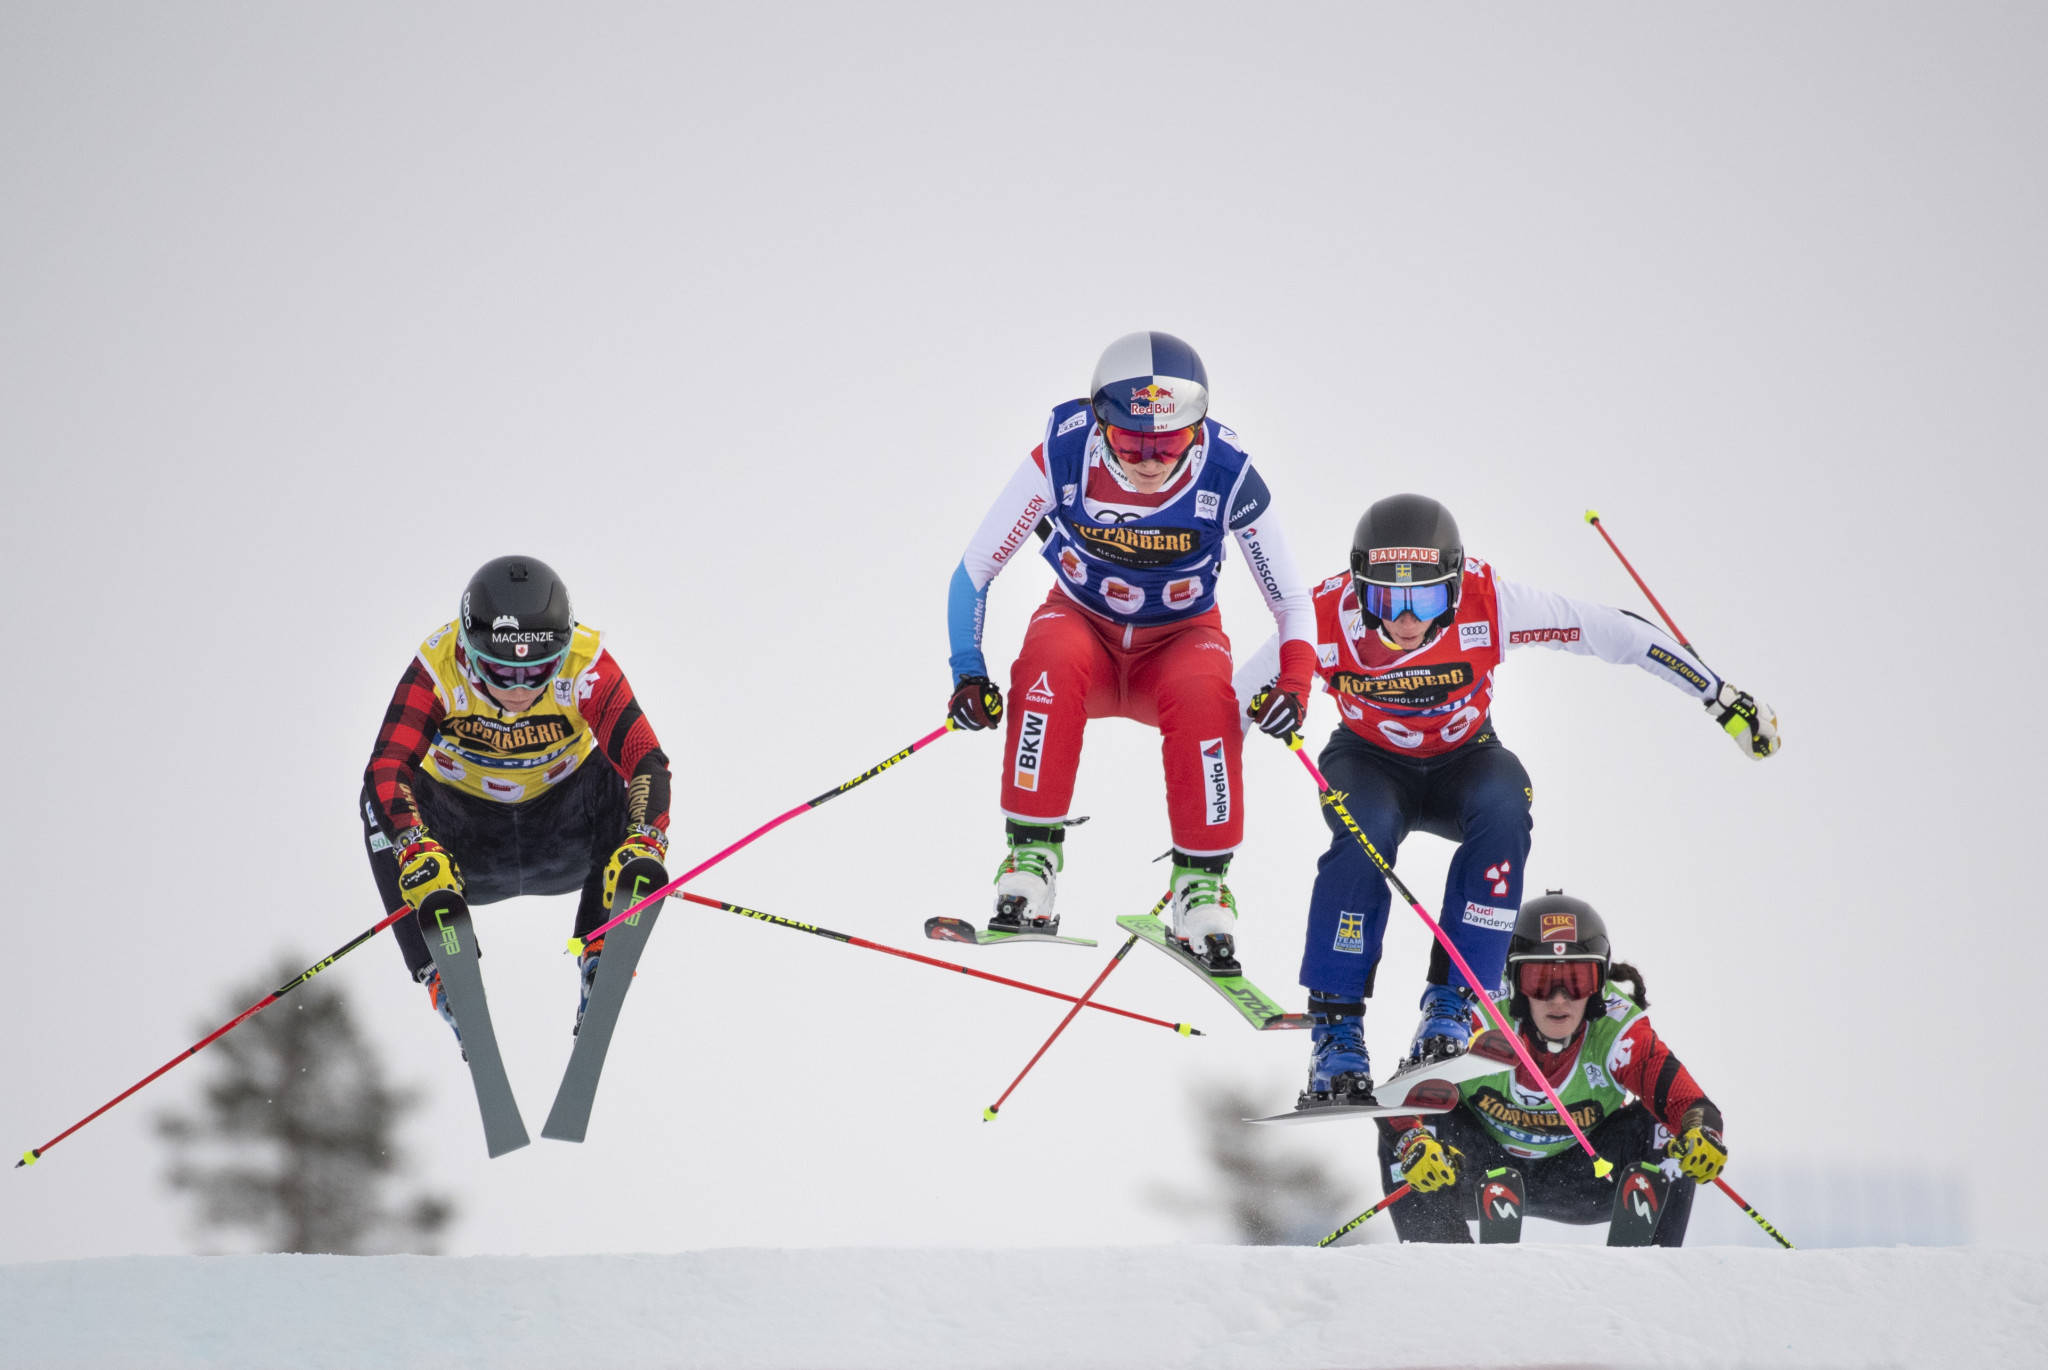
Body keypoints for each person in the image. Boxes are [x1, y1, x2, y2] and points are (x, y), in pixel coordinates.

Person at [1234, 493, 1779, 1103]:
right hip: (1368, 762)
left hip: (1464, 760)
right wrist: (1202, 859)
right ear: (1361, 588)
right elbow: (1227, 711)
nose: (1407, 619)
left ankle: (1452, 1008)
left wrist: (1715, 693)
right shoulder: (1322, 616)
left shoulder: (1492, 603)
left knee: (1505, 807)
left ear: (1455, 583)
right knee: (1364, 834)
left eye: (1427, 598)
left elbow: (1613, 632)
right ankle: (1337, 1033)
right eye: (1388, 599)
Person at [944, 331, 1317, 969]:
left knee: (1208, 695)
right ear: (1101, 423)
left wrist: (1296, 684)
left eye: (1168, 441)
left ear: (1195, 430)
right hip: (1082, 626)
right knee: (1048, 659)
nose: (1150, 459)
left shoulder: (1228, 475)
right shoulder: (1063, 454)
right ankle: (1030, 859)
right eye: (1132, 441)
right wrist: (967, 672)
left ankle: (1202, 886)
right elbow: (975, 568)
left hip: (1178, 641)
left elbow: (1290, 601)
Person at [358, 555, 673, 1046]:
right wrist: (415, 847)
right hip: (464, 845)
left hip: (565, 832)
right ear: (469, 651)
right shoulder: (439, 668)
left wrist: (645, 840)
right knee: (379, 795)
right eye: (502, 674)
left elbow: (646, 758)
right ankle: (442, 974)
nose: (522, 689)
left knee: (619, 767)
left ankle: (601, 947)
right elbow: (387, 765)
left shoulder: (586, 664)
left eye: (540, 670)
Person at [1373, 893, 1728, 1245]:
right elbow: (1398, 1096)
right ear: (1513, 982)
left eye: (1577, 980)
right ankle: (1441, 1266)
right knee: (1414, 1131)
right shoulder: (1476, 1013)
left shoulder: (1618, 1029)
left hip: (1585, 1176)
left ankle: (1656, 1273)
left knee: (1666, 1129)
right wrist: (1410, 1140)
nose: (1559, 998)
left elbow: (1692, 1105)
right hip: (1476, 1167)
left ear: (1600, 984)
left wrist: (1704, 1134)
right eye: (1539, 980)